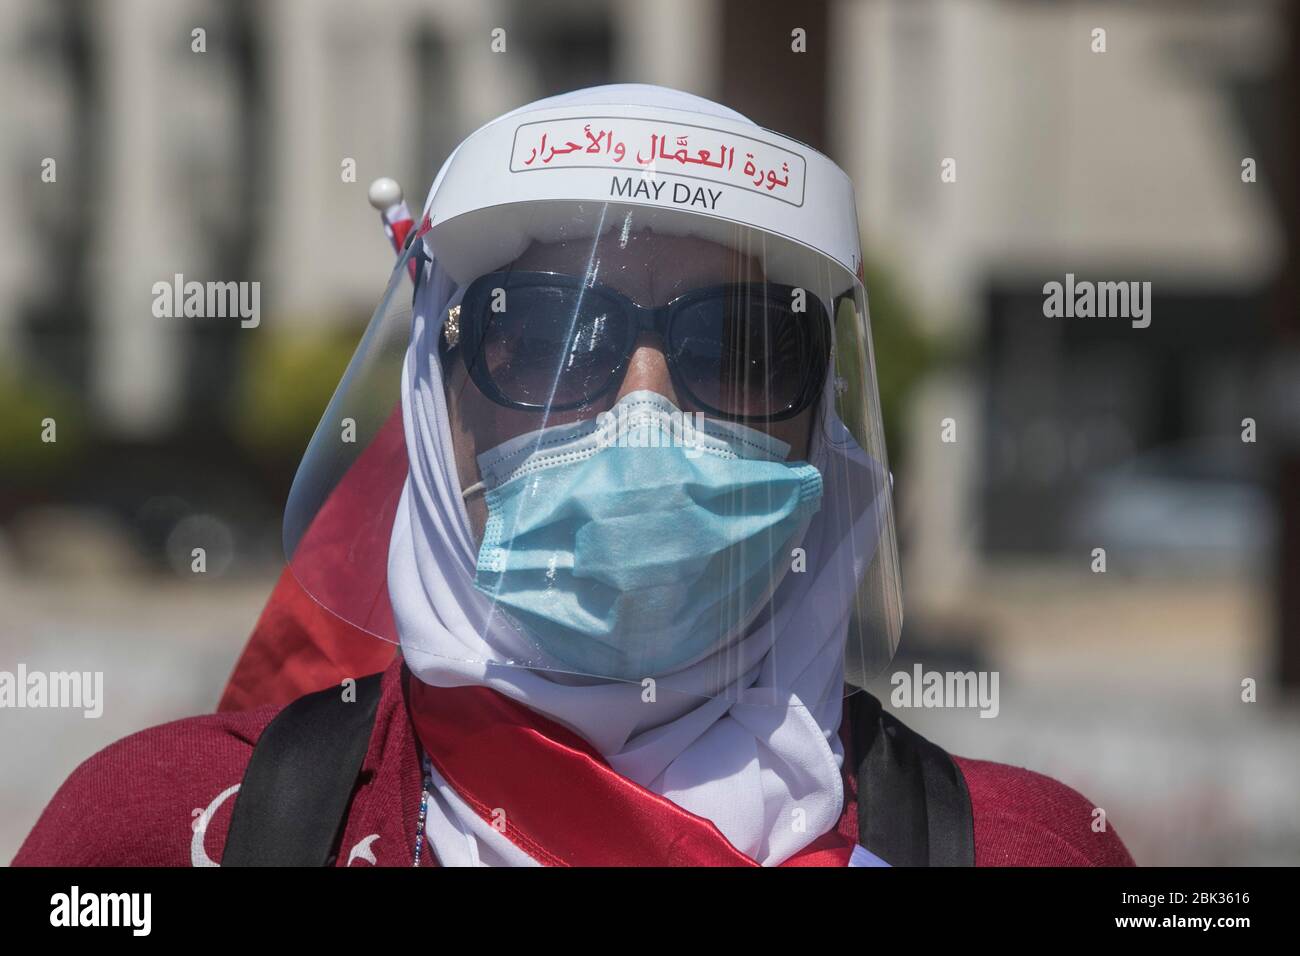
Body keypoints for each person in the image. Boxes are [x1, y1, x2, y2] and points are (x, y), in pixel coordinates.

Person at [14, 84, 1133, 867]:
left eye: (736, 345)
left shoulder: (1017, 847)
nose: (644, 409)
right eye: (545, 340)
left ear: (818, 420)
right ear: (428, 397)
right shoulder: (172, 829)